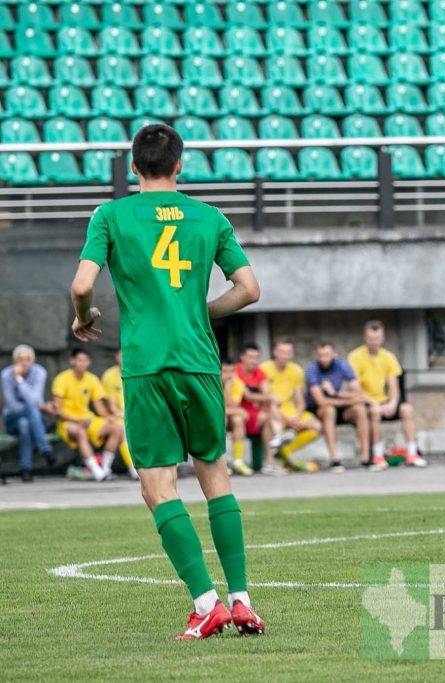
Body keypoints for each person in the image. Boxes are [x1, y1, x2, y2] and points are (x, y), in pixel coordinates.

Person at [68, 123, 265, 639]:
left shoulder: (110, 215)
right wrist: (201, 313)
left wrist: (83, 316)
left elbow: (82, 283)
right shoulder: (210, 217)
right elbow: (248, 289)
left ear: (134, 167)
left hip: (147, 365)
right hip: (199, 361)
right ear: (180, 164)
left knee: (157, 484)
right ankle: (241, 600)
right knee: (215, 474)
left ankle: (206, 602)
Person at [347, 321, 426, 470]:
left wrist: (393, 403)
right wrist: (373, 402)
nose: (374, 342)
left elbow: (393, 385)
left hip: (385, 401)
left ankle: (412, 453)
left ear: (382, 339)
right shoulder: (355, 357)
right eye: (371, 339)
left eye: (377, 339)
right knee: (375, 412)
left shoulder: (389, 357)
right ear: (365, 338)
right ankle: (377, 455)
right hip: (367, 402)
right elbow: (355, 388)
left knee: (407, 409)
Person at [51, 349, 124, 482]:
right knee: (80, 432)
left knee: (117, 428)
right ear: (72, 361)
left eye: (85, 360)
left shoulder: (92, 379)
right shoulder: (61, 379)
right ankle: (97, 472)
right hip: (67, 423)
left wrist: (111, 418)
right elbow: (57, 410)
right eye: (79, 360)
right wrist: (77, 419)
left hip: (87, 419)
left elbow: (100, 408)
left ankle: (105, 468)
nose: (83, 363)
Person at [306, 342, 370, 470]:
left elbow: (357, 392)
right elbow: (321, 401)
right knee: (329, 410)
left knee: (360, 409)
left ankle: (365, 457)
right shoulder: (312, 370)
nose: (324, 359)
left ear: (334, 354)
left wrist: (335, 393)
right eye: (321, 355)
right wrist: (350, 400)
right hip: (319, 411)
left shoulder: (343, 365)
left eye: (327, 355)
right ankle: (334, 458)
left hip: (339, 405)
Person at [260, 340, 321, 472]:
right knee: (270, 420)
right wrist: (288, 419)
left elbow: (300, 400)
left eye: (288, 352)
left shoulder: (296, 370)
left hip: (291, 411)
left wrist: (297, 417)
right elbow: (267, 400)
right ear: (275, 352)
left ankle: (286, 451)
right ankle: (270, 462)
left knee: (316, 426)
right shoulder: (264, 369)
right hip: (273, 411)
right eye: (282, 352)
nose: (285, 356)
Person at [1, 344, 54, 482]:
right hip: (12, 419)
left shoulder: (39, 372)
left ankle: (26, 470)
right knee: (30, 411)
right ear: (14, 361)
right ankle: (45, 449)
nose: (24, 362)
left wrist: (19, 381)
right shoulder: (6, 374)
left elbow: (34, 398)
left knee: (25, 424)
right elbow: (12, 405)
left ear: (33, 360)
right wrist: (17, 378)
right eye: (20, 359)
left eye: (28, 359)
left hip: (35, 420)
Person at [234, 343, 281, 474]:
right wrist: (267, 398)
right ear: (242, 357)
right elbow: (247, 396)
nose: (254, 361)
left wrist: (265, 402)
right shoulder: (235, 370)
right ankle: (278, 434)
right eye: (250, 357)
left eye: (256, 357)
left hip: (256, 415)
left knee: (268, 415)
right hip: (238, 412)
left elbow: (267, 392)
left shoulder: (259, 373)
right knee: (269, 405)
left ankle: (269, 463)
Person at [100, 348, 138, 479]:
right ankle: (132, 469)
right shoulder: (109, 375)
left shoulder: (137, 371)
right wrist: (124, 415)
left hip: (136, 415)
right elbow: (111, 406)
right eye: (121, 355)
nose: (123, 358)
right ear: (116, 357)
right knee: (123, 432)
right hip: (119, 417)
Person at [222, 359, 253, 476]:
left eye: (231, 371)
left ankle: (238, 461)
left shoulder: (238, 383)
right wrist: (236, 411)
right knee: (222, 419)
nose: (229, 375)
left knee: (238, 420)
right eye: (225, 371)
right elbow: (215, 410)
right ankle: (221, 463)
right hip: (215, 418)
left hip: (229, 415)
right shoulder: (212, 383)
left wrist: (228, 388)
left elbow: (232, 405)